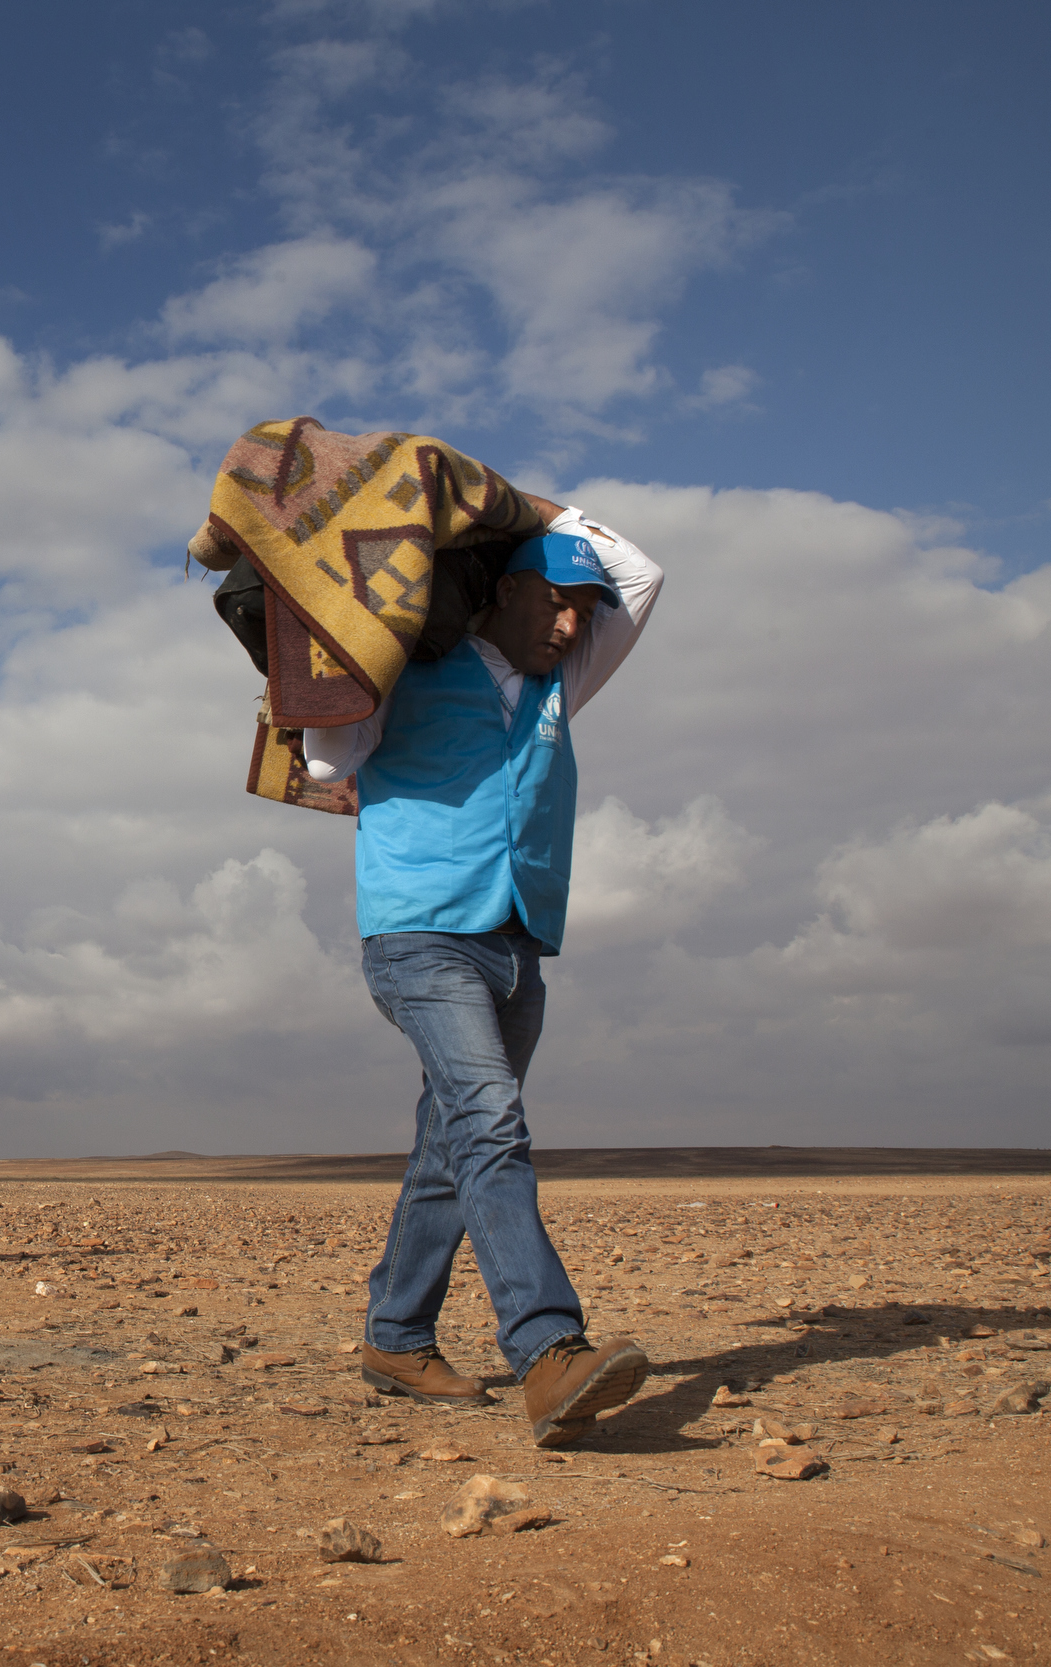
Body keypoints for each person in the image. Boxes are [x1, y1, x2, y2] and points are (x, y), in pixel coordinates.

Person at [300, 507, 663, 1449]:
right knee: (490, 1119)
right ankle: (549, 1351)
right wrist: (359, 682)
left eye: (585, 610)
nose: (573, 626)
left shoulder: (559, 685)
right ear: (502, 591)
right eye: (556, 601)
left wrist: (531, 511)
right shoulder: (410, 669)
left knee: (451, 1145)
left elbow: (644, 574)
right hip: (419, 937)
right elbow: (325, 755)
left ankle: (396, 1335)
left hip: (517, 941)